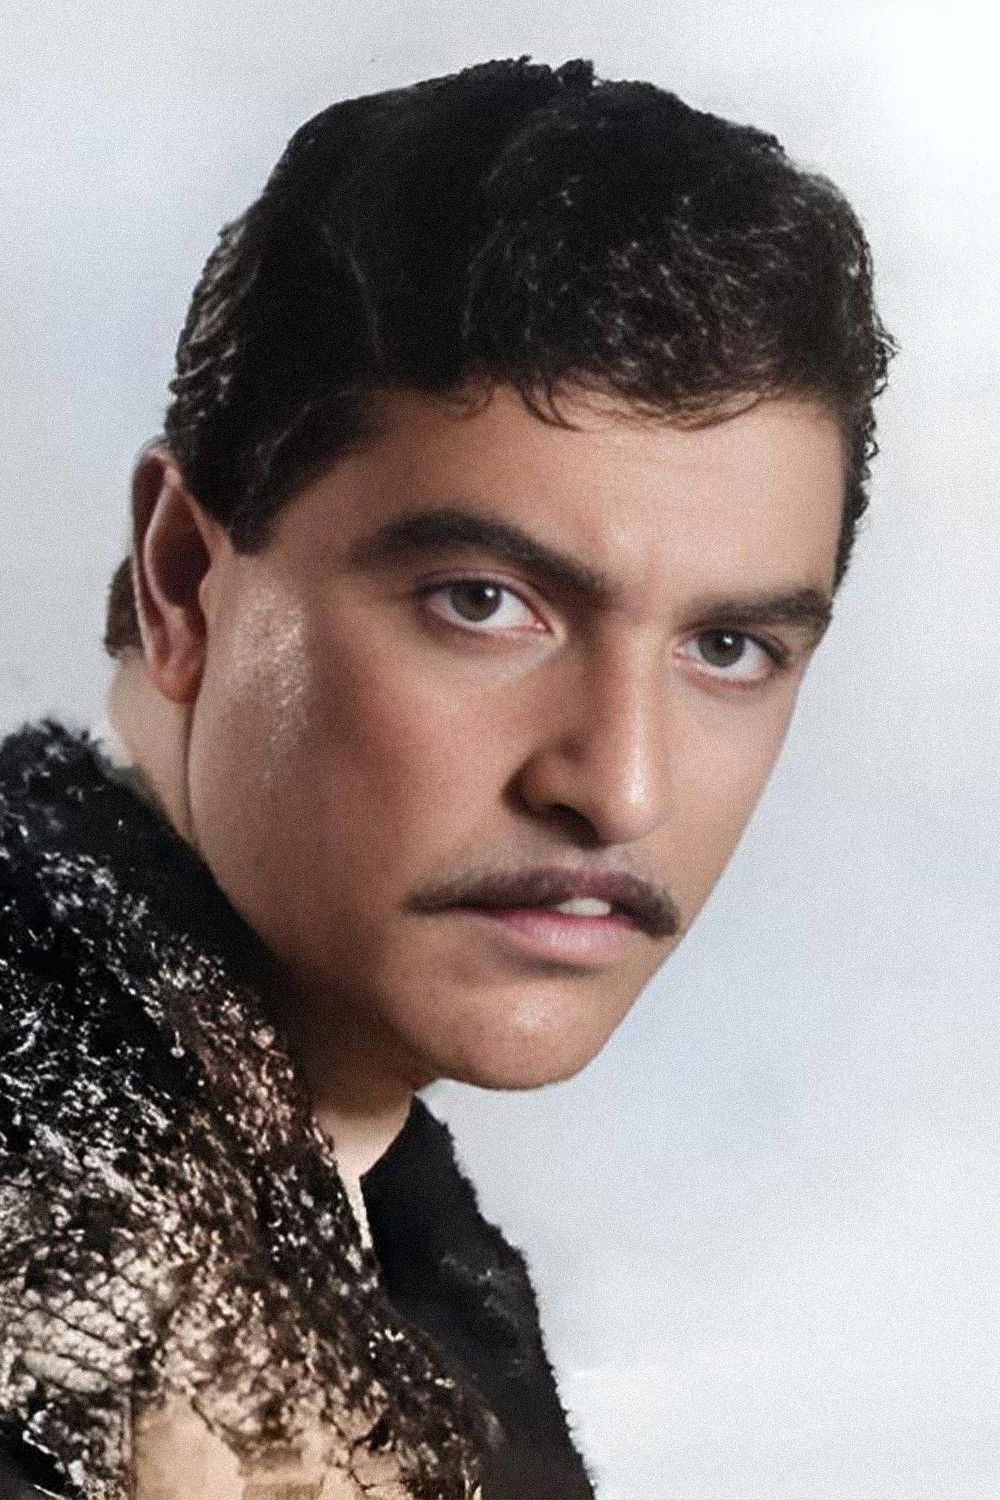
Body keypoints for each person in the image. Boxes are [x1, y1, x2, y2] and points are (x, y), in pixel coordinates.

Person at [0, 55, 892, 1500]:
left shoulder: (392, 1262)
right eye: (483, 603)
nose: (620, 789)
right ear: (181, 578)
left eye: (728, 647)